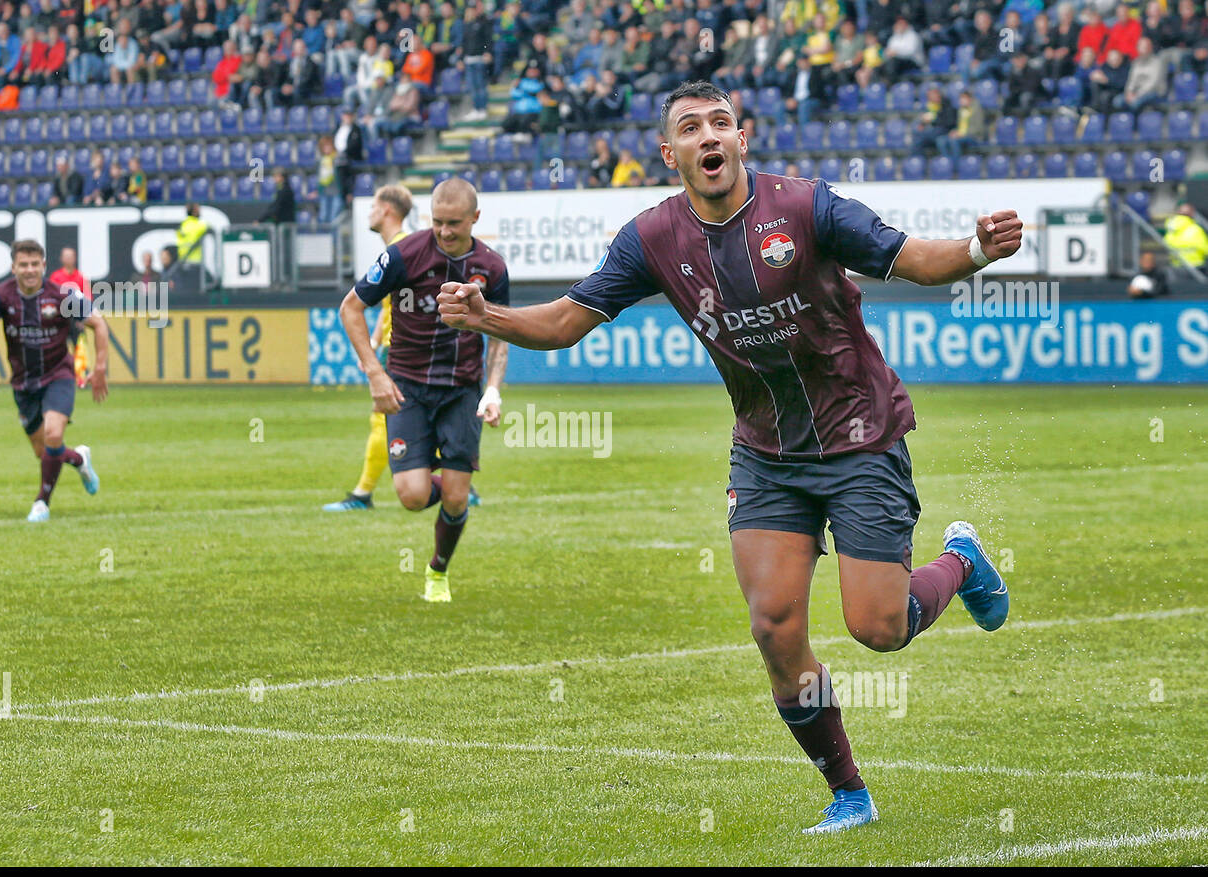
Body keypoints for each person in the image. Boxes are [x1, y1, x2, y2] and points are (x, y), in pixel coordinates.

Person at [436, 81, 1021, 833]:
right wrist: (490, 316)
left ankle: (963, 559)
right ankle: (849, 793)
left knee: (878, 626)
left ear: (741, 139)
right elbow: (563, 322)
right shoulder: (651, 238)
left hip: (860, 437)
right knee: (776, 627)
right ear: (669, 151)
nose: (708, 136)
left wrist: (976, 249)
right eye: (690, 126)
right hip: (767, 454)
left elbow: (916, 260)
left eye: (720, 123)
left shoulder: (808, 208)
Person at [341, 178, 509, 602]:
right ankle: (450, 481)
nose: (445, 231)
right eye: (437, 222)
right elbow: (351, 308)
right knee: (413, 497)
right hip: (407, 388)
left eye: (454, 223)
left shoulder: (492, 267)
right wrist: (375, 374)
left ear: (475, 218)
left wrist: (493, 389)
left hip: (460, 390)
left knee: (454, 499)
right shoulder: (402, 256)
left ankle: (438, 570)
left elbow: (502, 332)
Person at [0, 239, 109, 522]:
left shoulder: (61, 295)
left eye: (35, 264)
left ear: (44, 266)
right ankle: (79, 459)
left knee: (54, 435)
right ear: (13, 267)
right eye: (23, 265)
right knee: (44, 451)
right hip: (23, 382)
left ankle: (41, 504)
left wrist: (100, 368)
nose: (30, 270)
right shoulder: (1, 296)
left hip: (59, 374)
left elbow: (99, 323)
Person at [324, 184, 415, 512]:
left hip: (404, 351)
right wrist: (374, 343)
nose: (370, 211)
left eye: (374, 206)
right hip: (396, 347)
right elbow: (392, 306)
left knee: (383, 417)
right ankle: (460, 483)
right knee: (417, 416)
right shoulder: (403, 248)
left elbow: (363, 306)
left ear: (389, 210)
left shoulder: (401, 250)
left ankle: (362, 495)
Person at [1164, 202, 1208, 272]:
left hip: (1176, 267)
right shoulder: (1195, 229)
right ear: (1192, 214)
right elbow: (1206, 249)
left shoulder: (1171, 230)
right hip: (1196, 268)